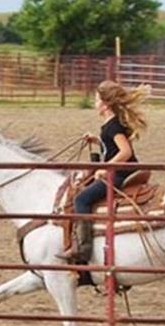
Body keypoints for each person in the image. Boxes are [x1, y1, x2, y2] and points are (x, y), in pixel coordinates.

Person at [61, 80, 150, 264]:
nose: (95, 103)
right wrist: (97, 140)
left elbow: (125, 152)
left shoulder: (113, 126)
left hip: (119, 173)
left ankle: (83, 248)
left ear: (105, 104)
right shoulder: (112, 124)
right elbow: (112, 146)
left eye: (97, 100)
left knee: (81, 199)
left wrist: (106, 167)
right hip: (121, 170)